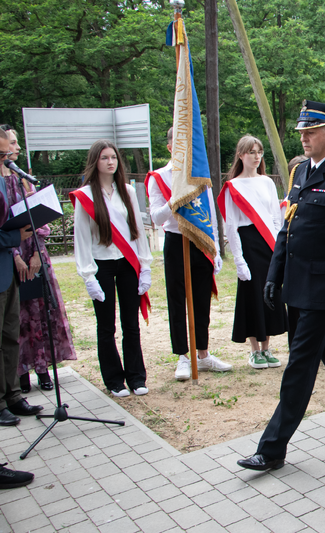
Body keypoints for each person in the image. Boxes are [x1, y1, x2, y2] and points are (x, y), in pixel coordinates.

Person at [236, 100, 325, 473]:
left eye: (311, 132)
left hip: (322, 287)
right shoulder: (300, 173)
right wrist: (274, 275)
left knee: (299, 365)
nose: (304, 138)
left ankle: (272, 448)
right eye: (301, 132)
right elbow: (288, 228)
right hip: (296, 283)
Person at [146, 128, 232, 380]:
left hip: (200, 241)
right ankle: (183, 356)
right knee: (177, 299)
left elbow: (210, 213)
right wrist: (175, 197)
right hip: (175, 240)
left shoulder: (199, 175)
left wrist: (214, 246)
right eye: (179, 144)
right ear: (170, 146)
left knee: (202, 299)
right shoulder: (158, 177)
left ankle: (203, 354)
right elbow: (155, 217)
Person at [71, 140, 151, 397]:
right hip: (101, 264)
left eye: (113, 157)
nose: (110, 162)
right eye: (105, 158)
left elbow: (137, 230)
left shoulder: (126, 191)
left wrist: (145, 265)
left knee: (131, 323)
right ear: (96, 161)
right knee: (106, 326)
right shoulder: (86, 195)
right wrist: (88, 276)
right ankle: (114, 380)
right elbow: (81, 237)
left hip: (127, 263)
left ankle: (136, 377)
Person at [0, 126, 75, 393]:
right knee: (16, 321)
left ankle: (42, 368)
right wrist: (15, 254)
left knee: (39, 314)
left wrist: (34, 253)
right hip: (10, 257)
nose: (15, 148)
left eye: (16, 143)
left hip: (34, 253)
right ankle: (18, 378)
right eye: (11, 143)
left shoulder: (23, 178)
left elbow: (39, 218)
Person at [218, 136, 286, 369]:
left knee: (269, 293)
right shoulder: (232, 187)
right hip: (248, 243)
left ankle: (267, 348)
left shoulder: (267, 182)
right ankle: (254, 350)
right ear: (240, 155)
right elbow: (231, 226)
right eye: (251, 152)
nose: (256, 156)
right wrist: (239, 260)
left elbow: (275, 218)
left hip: (269, 243)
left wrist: (280, 248)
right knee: (252, 296)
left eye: (259, 152)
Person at [0, 128, 39, 430]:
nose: (7, 157)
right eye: (2, 154)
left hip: (7, 271)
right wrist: (15, 237)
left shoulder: (10, 179)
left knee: (10, 335)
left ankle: (13, 395)